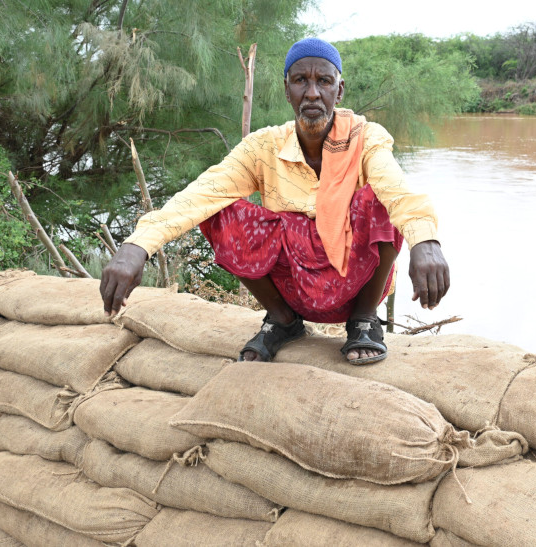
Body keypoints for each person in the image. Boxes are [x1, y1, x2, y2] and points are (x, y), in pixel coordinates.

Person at [100, 37, 449, 364]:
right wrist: (137, 246)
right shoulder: (263, 146)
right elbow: (200, 194)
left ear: (339, 91)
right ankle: (283, 321)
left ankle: (363, 320)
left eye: (324, 82)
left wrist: (426, 241)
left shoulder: (366, 138)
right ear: (287, 89)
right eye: (301, 81)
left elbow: (398, 190)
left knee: (378, 200)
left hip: (355, 283)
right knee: (219, 209)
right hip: (292, 285)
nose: (312, 94)